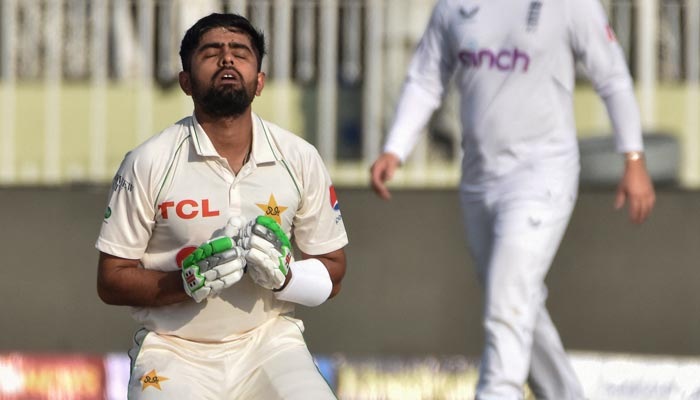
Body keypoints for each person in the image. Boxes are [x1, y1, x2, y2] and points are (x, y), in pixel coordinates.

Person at [370, 1, 655, 399]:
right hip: (479, 178)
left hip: (542, 174)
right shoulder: (453, 6)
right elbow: (426, 77)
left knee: (507, 302)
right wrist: (395, 148)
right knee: (517, 299)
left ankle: (497, 392)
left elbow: (611, 75)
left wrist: (634, 158)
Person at [96, 13, 348, 400]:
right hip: (173, 350)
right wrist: (184, 282)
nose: (227, 59)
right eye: (211, 52)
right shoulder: (148, 161)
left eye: (240, 53)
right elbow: (111, 280)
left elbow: (334, 271)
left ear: (259, 81)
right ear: (185, 81)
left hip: (270, 344)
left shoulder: (299, 157)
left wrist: (284, 277)